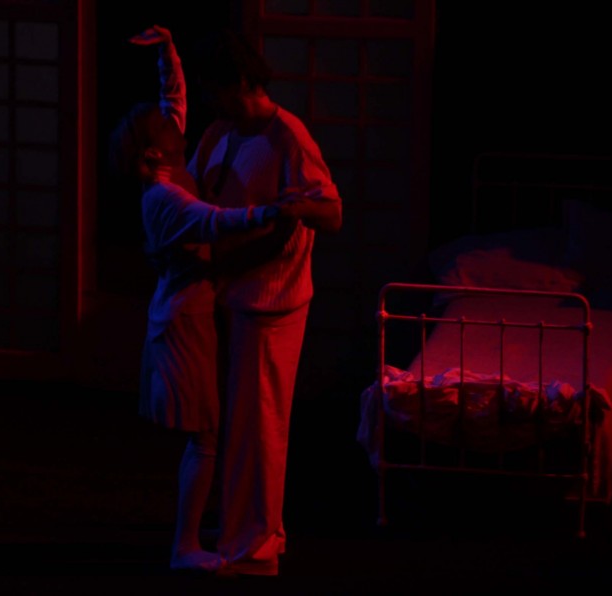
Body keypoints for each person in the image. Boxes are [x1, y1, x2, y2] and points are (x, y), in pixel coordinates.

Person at [108, 25, 318, 574]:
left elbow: (172, 102)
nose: (180, 118)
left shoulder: (173, 161)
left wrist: (168, 51)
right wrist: (278, 212)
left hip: (206, 310)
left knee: (219, 432)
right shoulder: (166, 196)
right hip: (186, 318)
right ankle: (188, 545)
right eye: (165, 125)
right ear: (153, 150)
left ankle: (206, 539)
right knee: (206, 436)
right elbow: (218, 221)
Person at [186, 28, 343, 577]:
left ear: (240, 83)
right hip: (230, 292)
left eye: (217, 90)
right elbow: (195, 194)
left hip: (272, 300)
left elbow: (332, 212)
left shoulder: (287, 137)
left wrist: (294, 210)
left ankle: (255, 546)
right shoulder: (219, 134)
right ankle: (243, 529)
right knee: (237, 422)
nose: (213, 102)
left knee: (262, 423)